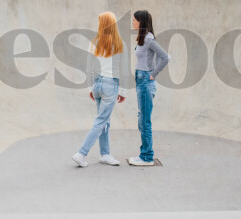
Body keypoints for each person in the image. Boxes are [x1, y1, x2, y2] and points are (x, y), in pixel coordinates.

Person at [72, 11, 126, 167]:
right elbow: (123, 70)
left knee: (104, 122)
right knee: (101, 121)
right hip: (111, 85)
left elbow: (89, 69)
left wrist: (91, 88)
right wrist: (122, 91)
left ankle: (105, 154)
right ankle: (81, 153)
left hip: (97, 85)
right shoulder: (119, 43)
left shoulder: (94, 43)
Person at [129, 10, 169, 166]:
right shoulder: (143, 38)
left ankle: (147, 157)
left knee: (145, 121)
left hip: (145, 82)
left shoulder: (149, 39)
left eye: (134, 20)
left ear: (141, 21)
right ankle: (144, 154)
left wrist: (153, 74)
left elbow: (165, 57)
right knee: (142, 120)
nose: (132, 22)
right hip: (141, 82)